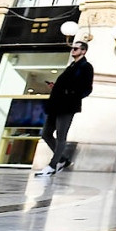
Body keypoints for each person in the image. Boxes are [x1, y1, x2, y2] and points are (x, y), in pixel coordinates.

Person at [35, 41, 93, 177]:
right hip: (56, 105)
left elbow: (87, 89)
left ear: (83, 51)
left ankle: (52, 165)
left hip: (67, 106)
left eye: (76, 48)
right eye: (72, 48)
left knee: (61, 136)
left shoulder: (86, 67)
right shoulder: (71, 66)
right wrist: (56, 87)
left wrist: (70, 94)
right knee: (46, 133)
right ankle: (63, 159)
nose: (72, 50)